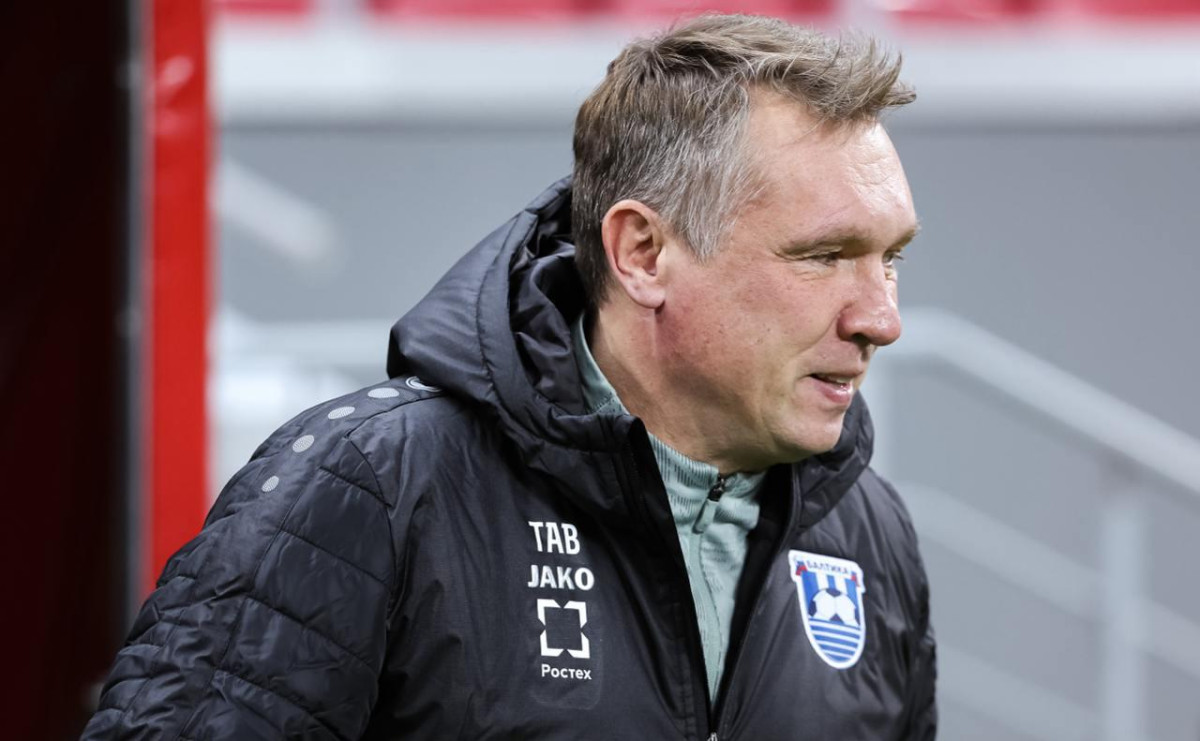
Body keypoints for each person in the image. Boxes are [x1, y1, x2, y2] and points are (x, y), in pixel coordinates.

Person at [85, 13, 935, 740]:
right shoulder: (375, 485)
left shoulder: (867, 533)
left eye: (890, 258)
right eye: (823, 256)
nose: (880, 318)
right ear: (643, 253)